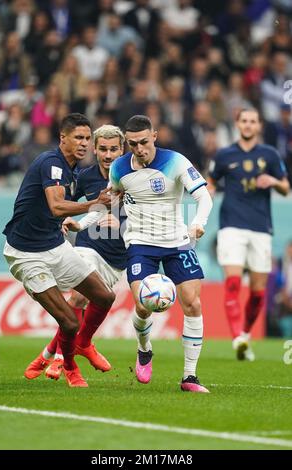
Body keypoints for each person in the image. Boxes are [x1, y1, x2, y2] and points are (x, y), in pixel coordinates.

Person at [3, 113, 116, 388]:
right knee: (68, 322)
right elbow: (56, 205)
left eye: (88, 138)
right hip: (27, 254)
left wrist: (65, 222)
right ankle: (70, 368)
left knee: (104, 296)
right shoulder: (52, 163)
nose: (84, 143)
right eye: (78, 137)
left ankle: (84, 345)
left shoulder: (73, 169)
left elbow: (57, 212)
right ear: (62, 138)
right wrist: (94, 205)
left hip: (54, 244)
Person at [110, 115, 213, 393]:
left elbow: (204, 197)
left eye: (144, 141)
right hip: (140, 243)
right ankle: (145, 350)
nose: (139, 148)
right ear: (126, 142)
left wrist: (198, 223)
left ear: (155, 135)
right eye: (132, 144)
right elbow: (110, 199)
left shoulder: (176, 161)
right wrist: (85, 222)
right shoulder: (119, 168)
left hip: (177, 241)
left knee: (192, 302)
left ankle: (190, 377)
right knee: (143, 306)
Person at [24, 124, 127, 381]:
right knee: (78, 299)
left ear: (122, 150)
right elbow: (62, 202)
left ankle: (49, 352)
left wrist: (123, 224)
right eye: (102, 149)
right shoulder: (85, 177)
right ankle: (63, 359)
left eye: (113, 149)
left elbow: (154, 217)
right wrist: (66, 221)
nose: (108, 155)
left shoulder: (134, 177)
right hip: (87, 247)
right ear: (95, 149)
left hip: (117, 259)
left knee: (94, 299)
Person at [208, 108, 290, 360]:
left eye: (252, 121)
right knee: (232, 283)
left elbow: (286, 187)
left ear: (259, 126)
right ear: (237, 124)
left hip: (261, 228)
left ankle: (245, 332)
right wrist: (206, 191)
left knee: (257, 292)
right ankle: (237, 338)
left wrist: (273, 182)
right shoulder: (224, 155)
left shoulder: (270, 155)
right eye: (244, 120)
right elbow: (211, 180)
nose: (248, 125)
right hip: (231, 225)